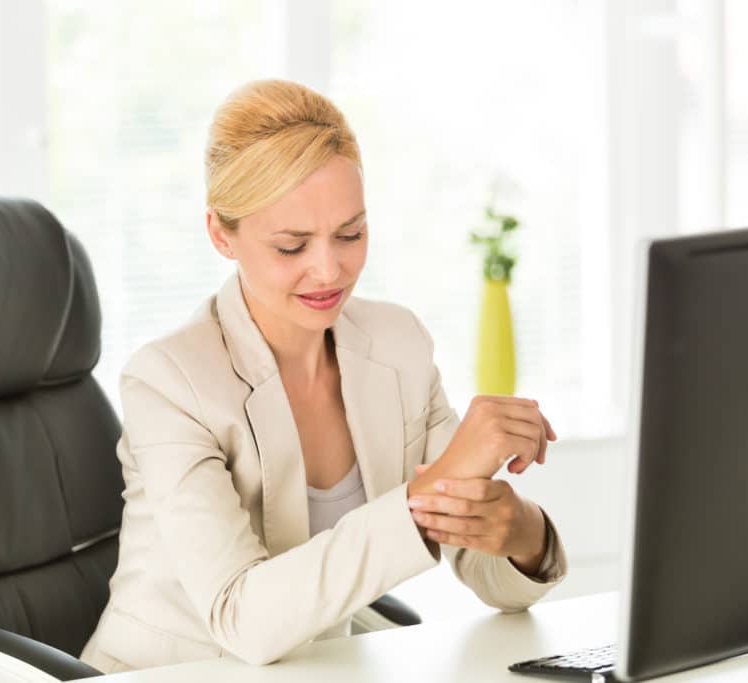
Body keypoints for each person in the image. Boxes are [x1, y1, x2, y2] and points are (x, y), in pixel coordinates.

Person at [79, 79, 568, 674]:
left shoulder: (398, 346)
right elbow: (244, 619)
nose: (330, 269)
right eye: (292, 246)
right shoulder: (168, 382)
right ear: (220, 234)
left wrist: (520, 531)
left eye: (351, 234)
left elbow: (494, 580)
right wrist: (427, 492)